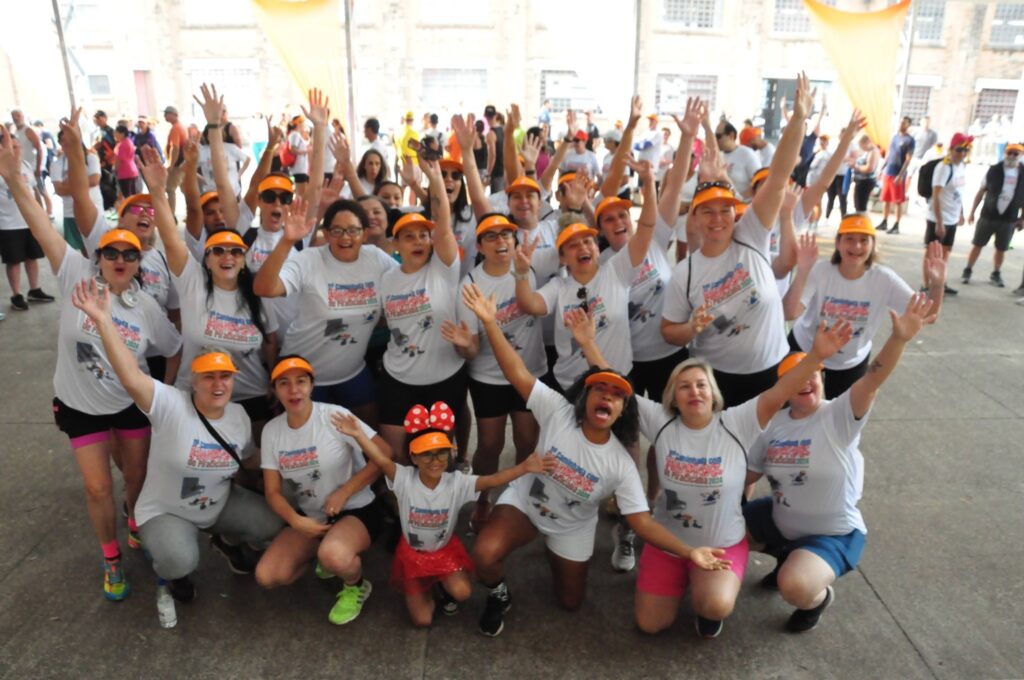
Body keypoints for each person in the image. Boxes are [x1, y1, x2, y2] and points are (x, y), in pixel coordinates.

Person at [567, 299, 852, 638]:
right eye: (684, 386)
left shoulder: (737, 422)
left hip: (722, 543)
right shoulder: (661, 421)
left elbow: (780, 391)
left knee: (714, 606)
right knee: (650, 624)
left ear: (713, 392)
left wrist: (817, 357)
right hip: (669, 543)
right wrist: (587, 343)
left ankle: (706, 597)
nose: (694, 391)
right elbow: (613, 381)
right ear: (673, 396)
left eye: (701, 384)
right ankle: (681, 577)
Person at [461, 283, 732, 637]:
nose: (606, 396)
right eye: (599, 389)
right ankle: (499, 594)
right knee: (484, 553)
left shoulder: (621, 463)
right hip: (525, 505)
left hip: (572, 526)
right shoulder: (558, 411)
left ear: (622, 412)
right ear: (584, 397)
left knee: (571, 602)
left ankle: (554, 551)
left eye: (616, 395)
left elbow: (643, 523)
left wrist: (690, 552)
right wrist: (490, 323)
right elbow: (517, 372)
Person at [0, 127, 181, 599]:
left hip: (128, 404)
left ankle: (135, 522)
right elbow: (40, 222)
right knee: (99, 488)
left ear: (140, 263)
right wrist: (15, 178)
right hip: (80, 407)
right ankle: (111, 556)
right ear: (98, 256)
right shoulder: (75, 272)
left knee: (137, 478)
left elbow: (173, 346)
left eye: (131, 253)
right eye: (112, 251)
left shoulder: (146, 307)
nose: (120, 258)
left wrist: (166, 394)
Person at [76, 281, 284, 605]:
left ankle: (226, 540)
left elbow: (250, 460)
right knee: (180, 560)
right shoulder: (170, 404)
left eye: (225, 376)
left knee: (271, 523)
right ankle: (173, 573)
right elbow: (131, 376)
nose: (218, 384)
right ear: (194, 381)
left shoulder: (240, 415)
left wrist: (293, 464)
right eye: (209, 377)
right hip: (167, 511)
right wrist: (104, 321)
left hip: (217, 504)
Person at [745, 292, 938, 633]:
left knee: (796, 587)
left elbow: (874, 378)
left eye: (814, 374)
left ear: (823, 379)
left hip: (833, 533)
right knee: (722, 529)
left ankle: (817, 598)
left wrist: (898, 338)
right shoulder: (772, 425)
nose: (807, 381)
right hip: (781, 521)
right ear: (782, 387)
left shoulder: (839, 415)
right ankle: (787, 554)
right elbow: (749, 473)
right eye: (797, 376)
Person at [661, 73, 815, 408]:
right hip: (718, 380)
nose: (718, 219)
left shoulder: (751, 236)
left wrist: (800, 120)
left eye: (725, 210)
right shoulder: (685, 272)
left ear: (736, 214)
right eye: (708, 212)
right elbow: (668, 330)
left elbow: (777, 178)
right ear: (696, 219)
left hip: (771, 370)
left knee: (763, 456)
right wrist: (691, 328)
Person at [346, 399, 550, 626]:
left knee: (462, 592)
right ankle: (424, 588)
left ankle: (440, 585)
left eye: (441, 453)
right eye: (427, 454)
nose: (435, 461)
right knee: (422, 620)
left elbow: (492, 479)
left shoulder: (457, 483)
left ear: (450, 452)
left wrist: (523, 468)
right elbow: (382, 459)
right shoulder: (403, 479)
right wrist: (358, 435)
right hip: (413, 555)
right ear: (413, 457)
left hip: (443, 552)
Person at [255, 356, 391, 625]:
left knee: (334, 557)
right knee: (268, 575)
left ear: (312, 385)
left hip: (357, 509)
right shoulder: (272, 431)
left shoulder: (334, 415)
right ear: (275, 390)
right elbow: (273, 492)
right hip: (313, 516)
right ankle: (322, 554)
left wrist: (345, 491)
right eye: (284, 383)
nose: (294, 390)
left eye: (301, 382)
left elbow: (385, 453)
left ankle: (355, 586)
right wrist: (296, 521)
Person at [253, 196, 396, 425]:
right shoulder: (309, 260)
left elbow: (407, 282)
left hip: (352, 371)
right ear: (326, 234)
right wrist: (286, 241)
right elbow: (263, 288)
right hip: (303, 373)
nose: (345, 237)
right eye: (337, 231)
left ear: (365, 234)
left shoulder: (376, 259)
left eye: (353, 230)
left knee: (370, 432)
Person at [444, 214, 545, 532]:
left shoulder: (531, 268)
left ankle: (521, 497)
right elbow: (472, 350)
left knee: (528, 440)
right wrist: (464, 346)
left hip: (529, 373)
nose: (501, 241)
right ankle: (484, 498)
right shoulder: (471, 285)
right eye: (491, 237)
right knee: (489, 445)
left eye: (506, 235)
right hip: (488, 377)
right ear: (480, 246)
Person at [784, 215, 946, 398]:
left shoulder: (884, 279)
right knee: (790, 414)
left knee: (841, 421)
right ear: (838, 243)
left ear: (873, 245)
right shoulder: (821, 271)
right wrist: (803, 270)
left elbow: (928, 314)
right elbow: (790, 312)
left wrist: (937, 284)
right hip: (806, 350)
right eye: (849, 239)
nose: (857, 246)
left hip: (850, 362)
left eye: (863, 240)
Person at [377, 158, 464, 464]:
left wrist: (434, 177)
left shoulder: (443, 270)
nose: (418, 241)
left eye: (423, 235)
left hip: (445, 378)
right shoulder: (386, 279)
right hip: (397, 379)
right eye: (408, 236)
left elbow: (442, 221)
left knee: (438, 457)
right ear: (396, 243)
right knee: (396, 456)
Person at [1, 128, 55, 311]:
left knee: (32, 257)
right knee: (14, 260)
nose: (18, 150)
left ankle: (34, 289)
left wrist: (42, 213)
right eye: (13, 147)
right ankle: (17, 294)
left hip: (29, 220)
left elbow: (34, 192)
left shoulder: (25, 165)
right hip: (8, 223)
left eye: (18, 147)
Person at [962, 142, 1024, 288]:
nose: (1012, 156)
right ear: (1005, 154)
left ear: (1020, 155)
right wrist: (972, 212)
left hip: (1009, 217)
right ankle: (968, 269)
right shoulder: (994, 170)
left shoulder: (1022, 173)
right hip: (988, 215)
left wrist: (1022, 218)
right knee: (977, 244)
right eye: (1010, 153)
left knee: (1001, 248)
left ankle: (996, 272)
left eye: (1016, 154)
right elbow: (981, 191)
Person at [924, 133, 971, 296]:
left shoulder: (961, 166)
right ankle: (927, 284)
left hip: (952, 217)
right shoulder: (944, 168)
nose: (963, 153)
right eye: (959, 150)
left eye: (966, 150)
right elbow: (936, 195)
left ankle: (940, 281)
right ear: (951, 149)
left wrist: (961, 213)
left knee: (946, 251)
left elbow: (959, 192)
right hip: (938, 218)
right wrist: (939, 222)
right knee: (931, 252)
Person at [50, 130, 102, 253]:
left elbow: (94, 180)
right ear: (60, 143)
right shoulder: (56, 165)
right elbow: (59, 190)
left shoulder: (90, 158)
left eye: (71, 138)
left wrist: (69, 184)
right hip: (70, 214)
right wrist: (82, 183)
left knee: (99, 249)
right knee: (83, 251)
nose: (68, 142)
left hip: (94, 211)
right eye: (64, 139)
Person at [876, 116, 915, 235]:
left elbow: (908, 159)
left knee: (898, 201)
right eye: (900, 122)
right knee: (886, 199)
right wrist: (882, 168)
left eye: (904, 123)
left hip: (898, 173)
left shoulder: (910, 140)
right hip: (889, 171)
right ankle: (884, 221)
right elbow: (889, 154)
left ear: (908, 125)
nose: (901, 124)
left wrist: (901, 175)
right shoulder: (894, 137)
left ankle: (896, 224)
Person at [714, 119, 761, 201]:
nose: (715, 140)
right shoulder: (719, 156)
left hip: (745, 206)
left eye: (718, 136)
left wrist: (739, 199)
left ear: (731, 136)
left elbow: (759, 184)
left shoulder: (747, 154)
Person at [163, 106, 188, 213]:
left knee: (170, 189)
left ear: (173, 114)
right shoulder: (180, 126)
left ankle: (171, 214)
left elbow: (176, 148)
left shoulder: (176, 128)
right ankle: (189, 211)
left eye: (166, 113)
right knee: (184, 189)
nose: (164, 116)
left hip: (178, 164)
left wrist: (171, 165)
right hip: (183, 162)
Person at [851, 134, 880, 214]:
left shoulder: (873, 151)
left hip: (866, 181)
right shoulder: (867, 151)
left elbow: (869, 168)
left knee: (861, 206)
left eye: (862, 146)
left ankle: (861, 222)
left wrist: (856, 167)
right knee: (858, 205)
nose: (862, 148)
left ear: (867, 142)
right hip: (861, 180)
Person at [113, 125, 139, 201]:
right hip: (132, 170)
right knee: (132, 194)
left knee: (128, 196)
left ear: (122, 134)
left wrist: (115, 170)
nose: (115, 135)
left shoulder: (123, 144)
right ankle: (135, 210)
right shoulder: (128, 142)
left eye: (116, 133)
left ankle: (132, 211)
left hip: (125, 172)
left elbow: (119, 160)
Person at [485, 107, 506, 193]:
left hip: (497, 173)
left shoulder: (491, 134)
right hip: (505, 171)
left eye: (490, 117)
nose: (489, 119)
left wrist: (488, 173)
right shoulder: (504, 130)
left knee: (497, 201)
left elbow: (492, 155)